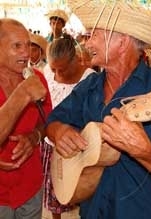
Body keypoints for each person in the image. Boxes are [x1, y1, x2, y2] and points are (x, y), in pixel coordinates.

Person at [46, 1, 151, 219]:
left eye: (95, 34)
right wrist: (60, 132)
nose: (87, 43)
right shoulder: (90, 86)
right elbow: (52, 122)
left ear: (122, 41)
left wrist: (144, 151)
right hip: (91, 209)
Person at [0, 18, 52, 219]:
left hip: (30, 186)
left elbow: (47, 120)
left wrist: (35, 137)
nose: (26, 52)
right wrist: (22, 94)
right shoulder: (29, 86)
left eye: (28, 45)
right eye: (17, 46)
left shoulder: (36, 78)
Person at [42, 33, 96, 219]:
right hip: (49, 144)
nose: (57, 75)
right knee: (52, 195)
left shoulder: (90, 79)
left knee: (75, 192)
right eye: (53, 69)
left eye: (62, 70)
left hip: (75, 147)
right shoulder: (48, 73)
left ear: (76, 60)